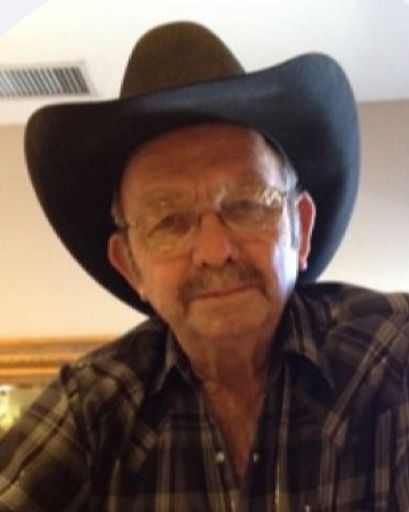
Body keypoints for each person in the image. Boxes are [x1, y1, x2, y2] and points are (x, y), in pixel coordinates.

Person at [1, 21, 408, 512]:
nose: (215, 251)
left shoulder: (392, 354)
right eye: (169, 221)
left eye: (248, 204)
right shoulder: (93, 410)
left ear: (300, 229)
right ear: (130, 266)